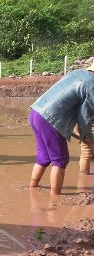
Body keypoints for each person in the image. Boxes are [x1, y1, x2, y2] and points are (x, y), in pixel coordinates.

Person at [29, 63, 94, 195]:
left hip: (36, 112)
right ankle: (55, 199)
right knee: (60, 160)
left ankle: (32, 188)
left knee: (43, 157)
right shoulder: (91, 84)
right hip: (50, 119)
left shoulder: (78, 72)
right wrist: (88, 139)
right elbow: (84, 118)